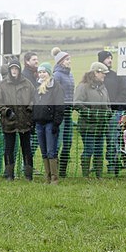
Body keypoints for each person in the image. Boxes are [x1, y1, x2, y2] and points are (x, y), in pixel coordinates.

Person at [0, 57, 35, 181]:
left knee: (26, 148)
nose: (14, 71)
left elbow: (34, 98)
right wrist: (7, 111)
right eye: (12, 68)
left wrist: (30, 108)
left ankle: (28, 175)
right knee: (9, 148)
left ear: (20, 70)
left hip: (25, 121)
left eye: (16, 68)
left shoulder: (27, 83)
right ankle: (9, 175)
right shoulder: (2, 85)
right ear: (9, 70)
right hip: (9, 121)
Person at [98, 50, 126, 176]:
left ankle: (112, 164)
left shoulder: (116, 76)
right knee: (97, 140)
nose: (110, 60)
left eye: (111, 58)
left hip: (113, 112)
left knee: (113, 139)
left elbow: (123, 92)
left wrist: (115, 105)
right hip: (98, 113)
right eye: (107, 58)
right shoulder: (94, 76)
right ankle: (97, 166)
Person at [74, 62, 112, 178]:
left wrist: (108, 113)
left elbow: (108, 104)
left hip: (101, 126)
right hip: (88, 126)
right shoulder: (83, 86)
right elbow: (77, 104)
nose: (104, 76)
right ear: (96, 73)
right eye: (102, 73)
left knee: (99, 150)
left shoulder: (103, 88)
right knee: (89, 149)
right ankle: (86, 175)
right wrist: (91, 114)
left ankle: (99, 175)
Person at [32, 62, 65, 184]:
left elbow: (59, 106)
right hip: (39, 123)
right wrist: (33, 121)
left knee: (51, 150)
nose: (42, 74)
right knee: (44, 150)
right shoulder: (37, 87)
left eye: (44, 72)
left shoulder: (56, 87)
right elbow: (34, 104)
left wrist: (56, 123)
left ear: (49, 73)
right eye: (40, 72)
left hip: (50, 123)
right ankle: (47, 176)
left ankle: (54, 178)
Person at [52, 47, 75, 178]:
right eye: (67, 59)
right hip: (60, 112)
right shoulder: (57, 75)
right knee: (58, 142)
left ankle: (63, 171)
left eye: (69, 59)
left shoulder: (70, 74)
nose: (69, 61)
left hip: (69, 111)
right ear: (60, 62)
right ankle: (55, 171)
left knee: (68, 142)